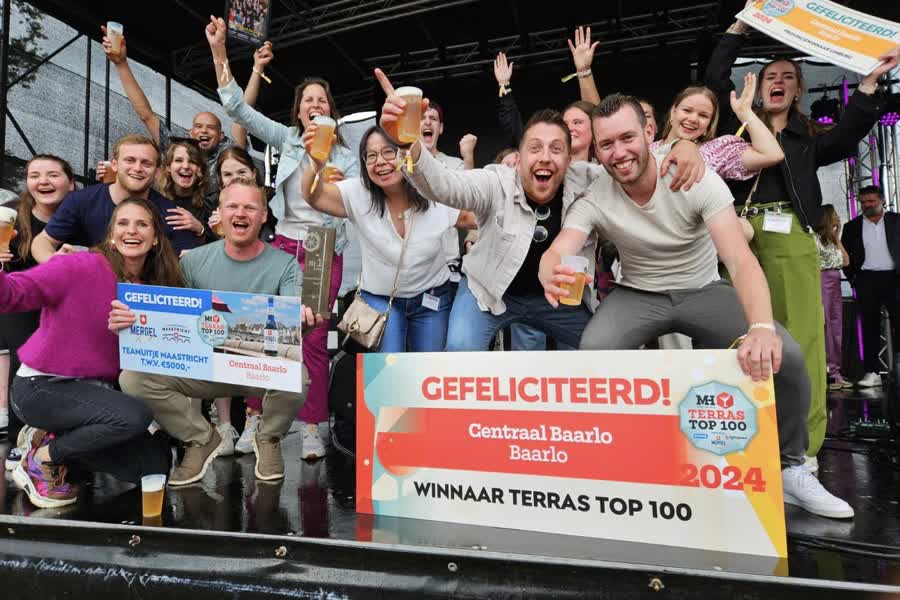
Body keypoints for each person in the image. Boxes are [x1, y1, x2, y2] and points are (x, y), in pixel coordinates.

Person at [540, 94, 854, 519]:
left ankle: (790, 468)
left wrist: (762, 328)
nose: (619, 152)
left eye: (628, 138)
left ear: (648, 133)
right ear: (596, 148)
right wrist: (549, 268)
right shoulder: (596, 196)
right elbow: (561, 247)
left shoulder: (694, 175)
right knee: (595, 351)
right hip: (638, 295)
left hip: (703, 289)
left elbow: (740, 261)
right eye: (607, 144)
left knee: (788, 356)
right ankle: (611, 463)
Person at [376, 69, 705, 351]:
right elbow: (444, 185)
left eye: (556, 149)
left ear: (569, 159)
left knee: (603, 352)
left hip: (559, 301)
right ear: (519, 158)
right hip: (487, 295)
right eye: (535, 148)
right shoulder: (496, 181)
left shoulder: (589, 180)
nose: (545, 157)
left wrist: (682, 145)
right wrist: (407, 143)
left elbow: (630, 161)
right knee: (460, 355)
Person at [705, 16, 897, 462]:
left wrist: (868, 84)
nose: (778, 81)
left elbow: (848, 134)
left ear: (798, 91)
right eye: (771, 76)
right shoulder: (735, 128)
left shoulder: (808, 139)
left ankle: (803, 448)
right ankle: (739, 441)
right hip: (735, 233)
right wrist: (736, 30)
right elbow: (715, 78)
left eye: (788, 77)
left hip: (789, 233)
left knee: (800, 340)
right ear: (758, 87)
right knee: (734, 334)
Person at [207, 16, 358, 459]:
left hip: (321, 247)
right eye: (308, 99)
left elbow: (353, 201)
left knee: (312, 340)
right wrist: (219, 51)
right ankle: (255, 420)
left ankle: (311, 427)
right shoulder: (286, 138)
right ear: (299, 111)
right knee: (263, 335)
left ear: (331, 111)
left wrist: (331, 171)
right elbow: (237, 108)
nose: (315, 104)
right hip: (282, 246)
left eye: (322, 99)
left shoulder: (347, 157)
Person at [117, 179, 319, 485]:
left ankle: (268, 437)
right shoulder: (193, 262)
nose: (241, 213)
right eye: (232, 206)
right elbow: (170, 320)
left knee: (298, 376)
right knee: (132, 378)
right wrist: (130, 320)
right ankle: (200, 438)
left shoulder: (286, 264)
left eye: (250, 207)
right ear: (220, 214)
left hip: (258, 367)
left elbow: (293, 318)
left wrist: (303, 320)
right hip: (204, 366)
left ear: (264, 215)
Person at [3, 198, 180, 508]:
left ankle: (55, 439)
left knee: (154, 468)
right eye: (123, 223)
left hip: (96, 398)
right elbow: (12, 295)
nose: (132, 230)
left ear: (155, 239)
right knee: (135, 416)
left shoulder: (155, 290)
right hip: (42, 387)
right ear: (111, 235)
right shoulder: (78, 265)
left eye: (142, 224)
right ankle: (41, 458)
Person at [301, 125, 475, 352]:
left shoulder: (434, 191)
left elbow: (474, 217)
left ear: (406, 153)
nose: (380, 162)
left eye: (388, 152)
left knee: (429, 366)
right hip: (379, 298)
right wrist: (315, 164)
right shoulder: (358, 193)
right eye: (371, 156)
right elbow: (313, 196)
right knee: (389, 365)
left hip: (431, 297)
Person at [0, 155, 74, 467]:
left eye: (53, 175)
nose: (43, 181)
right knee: (24, 357)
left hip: (65, 305)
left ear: (71, 184)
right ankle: (20, 436)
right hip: (20, 304)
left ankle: (59, 436)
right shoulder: (11, 215)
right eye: (35, 175)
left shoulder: (78, 215)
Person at [30, 135, 197, 262]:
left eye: (146, 163)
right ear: (115, 165)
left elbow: (188, 263)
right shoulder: (81, 200)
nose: (137, 168)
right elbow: (43, 241)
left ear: (157, 172)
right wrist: (54, 262)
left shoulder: (172, 214)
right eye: (130, 160)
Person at [842, 186, 900, 388]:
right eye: (864, 202)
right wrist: (854, 279)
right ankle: (872, 372)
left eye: (871, 201)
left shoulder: (896, 221)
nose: (867, 205)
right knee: (869, 327)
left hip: (894, 279)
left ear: (881, 200)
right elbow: (844, 257)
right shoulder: (852, 227)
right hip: (866, 280)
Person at [814, 204, 851, 390]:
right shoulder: (814, 238)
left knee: (835, 326)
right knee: (825, 325)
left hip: (834, 283)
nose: (838, 217)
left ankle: (835, 371)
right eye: (835, 214)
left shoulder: (831, 240)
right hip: (821, 282)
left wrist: (837, 236)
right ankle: (827, 372)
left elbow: (846, 261)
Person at [158, 139, 217, 244]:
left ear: (199, 169)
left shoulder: (210, 203)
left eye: (192, 161)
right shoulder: (155, 200)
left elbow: (219, 246)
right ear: (168, 167)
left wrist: (200, 230)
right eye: (178, 160)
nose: (186, 166)